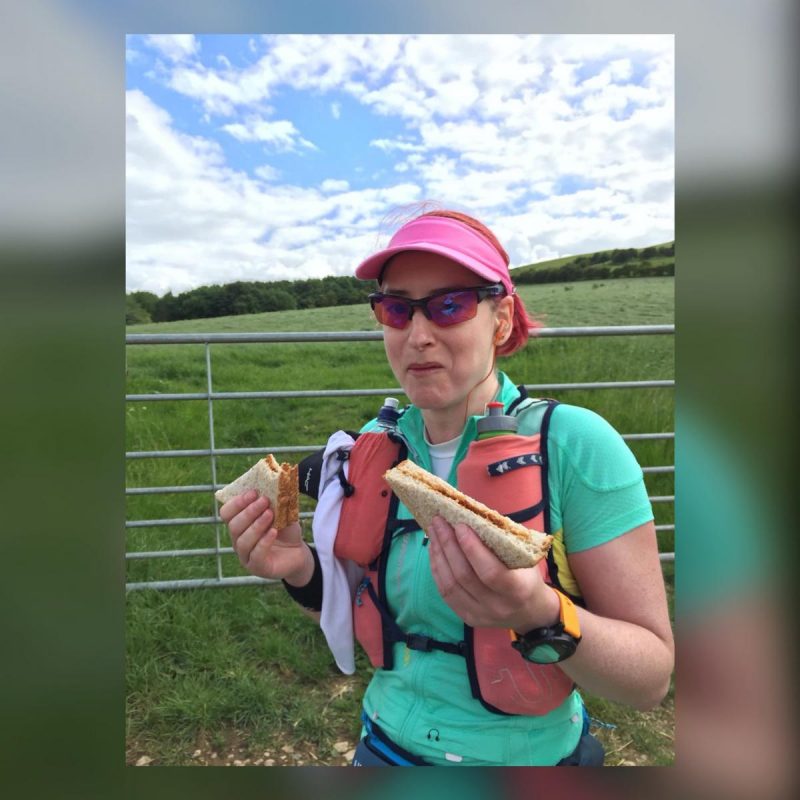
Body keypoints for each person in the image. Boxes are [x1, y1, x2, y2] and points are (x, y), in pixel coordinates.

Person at [219, 209, 674, 766]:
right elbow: (357, 609)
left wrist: (539, 613)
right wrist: (296, 568)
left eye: (450, 304)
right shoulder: (373, 448)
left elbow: (650, 680)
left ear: (501, 319)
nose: (418, 335)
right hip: (381, 747)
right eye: (396, 308)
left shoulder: (575, 445)